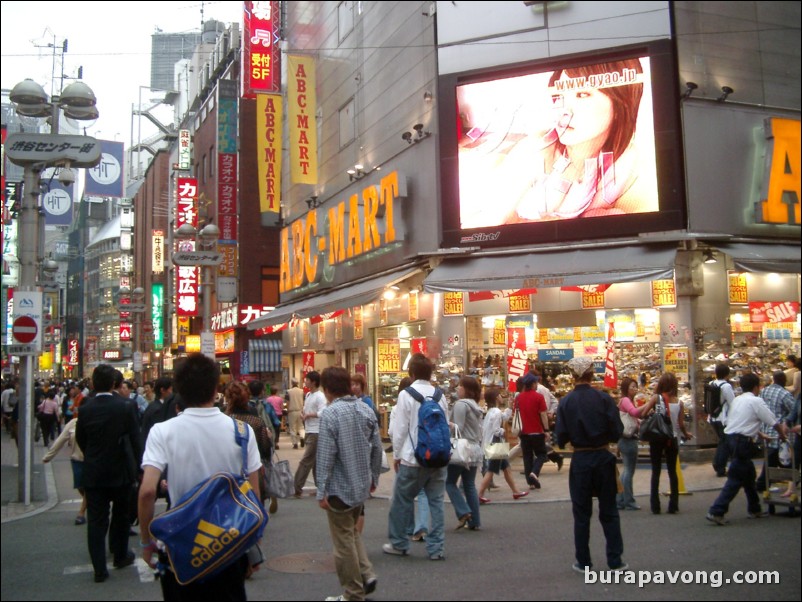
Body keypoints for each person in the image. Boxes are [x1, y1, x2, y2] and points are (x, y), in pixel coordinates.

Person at [139, 354, 263, 600]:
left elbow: (147, 492)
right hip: (229, 543)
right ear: (217, 387)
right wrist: (251, 546)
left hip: (180, 544)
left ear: (179, 389)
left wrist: (146, 542)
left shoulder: (162, 431)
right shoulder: (242, 431)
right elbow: (254, 494)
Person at [554, 356, 627, 573]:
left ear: (573, 375)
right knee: (609, 511)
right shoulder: (604, 399)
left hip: (581, 459)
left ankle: (583, 561)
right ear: (591, 373)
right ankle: (615, 560)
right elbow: (617, 431)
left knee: (582, 514)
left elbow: (560, 438)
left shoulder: (565, 402)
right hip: (603, 457)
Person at [316, 366, 382, 601]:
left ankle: (353, 592)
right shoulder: (365, 409)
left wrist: (321, 490)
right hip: (361, 484)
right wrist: (374, 477)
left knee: (343, 541)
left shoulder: (330, 414)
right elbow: (377, 448)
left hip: (339, 489)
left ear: (327, 390)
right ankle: (366, 573)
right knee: (351, 533)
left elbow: (325, 456)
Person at [75, 364, 141, 583]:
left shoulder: (85, 407)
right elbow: (135, 439)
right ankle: (120, 555)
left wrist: (93, 456)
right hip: (121, 470)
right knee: (121, 516)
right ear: (114, 383)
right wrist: (139, 467)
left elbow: (81, 439)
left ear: (93, 383)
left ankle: (99, 569)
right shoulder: (126, 405)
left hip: (94, 470)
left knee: (96, 521)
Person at [383, 353, 448, 561]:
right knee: (436, 502)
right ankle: (436, 548)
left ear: (411, 373)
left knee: (402, 500)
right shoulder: (440, 395)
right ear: (430, 373)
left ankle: (399, 543)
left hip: (413, 458)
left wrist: (397, 454)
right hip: (438, 457)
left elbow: (401, 429)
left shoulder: (406, 395)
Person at [706, 372, 789, 525]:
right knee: (735, 478)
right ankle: (716, 510)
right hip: (742, 441)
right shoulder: (756, 401)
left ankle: (755, 508)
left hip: (732, 438)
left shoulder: (738, 400)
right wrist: (782, 435)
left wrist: (759, 434)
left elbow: (741, 420)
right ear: (756, 387)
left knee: (749, 475)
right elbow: (773, 421)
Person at [645, 372, 691, 515]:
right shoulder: (679, 402)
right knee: (672, 472)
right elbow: (680, 424)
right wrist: (686, 434)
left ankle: (655, 505)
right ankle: (673, 504)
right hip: (672, 438)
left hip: (657, 438)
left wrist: (653, 413)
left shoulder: (655, 398)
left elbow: (644, 413)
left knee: (656, 471)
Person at [445, 376, 484, 531]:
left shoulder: (461, 405)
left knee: (449, 482)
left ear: (466, 389)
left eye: (460, 386)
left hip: (461, 448)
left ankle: (463, 511)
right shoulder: (475, 406)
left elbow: (458, 428)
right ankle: (475, 520)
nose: (458, 389)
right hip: (474, 448)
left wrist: (446, 422)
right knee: (469, 484)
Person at [477, 388, 528, 505]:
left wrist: (510, 407)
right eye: (499, 395)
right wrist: (502, 431)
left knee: (506, 468)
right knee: (491, 470)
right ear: (496, 398)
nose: (501, 397)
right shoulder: (496, 412)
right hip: (496, 444)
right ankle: (480, 493)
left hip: (492, 443)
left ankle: (515, 491)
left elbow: (503, 417)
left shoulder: (492, 411)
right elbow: (496, 430)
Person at [616, 377, 656, 510]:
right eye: (632, 387)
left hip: (624, 439)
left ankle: (620, 500)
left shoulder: (625, 401)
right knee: (629, 470)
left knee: (626, 470)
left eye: (635, 387)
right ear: (626, 388)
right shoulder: (626, 400)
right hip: (628, 439)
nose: (634, 389)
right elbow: (633, 412)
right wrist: (649, 403)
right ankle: (628, 500)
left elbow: (635, 416)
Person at [43, 412, 87, 525]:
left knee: (89, 488)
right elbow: (61, 440)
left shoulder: (96, 421)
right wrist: (48, 456)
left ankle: (81, 513)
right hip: (77, 459)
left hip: (92, 460)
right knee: (80, 486)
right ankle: (93, 503)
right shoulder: (73, 423)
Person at [755, 371, 795, 492]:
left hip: (766, 430)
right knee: (784, 459)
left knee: (775, 459)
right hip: (780, 432)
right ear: (784, 381)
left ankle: (767, 483)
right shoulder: (784, 394)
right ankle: (763, 483)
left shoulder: (764, 391)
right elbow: (793, 410)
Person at [294, 371, 327, 497]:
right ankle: (321, 488)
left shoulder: (320, 396)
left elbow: (322, 412)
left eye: (307, 380)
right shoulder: (308, 395)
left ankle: (297, 485)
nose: (305, 382)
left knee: (306, 460)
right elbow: (307, 409)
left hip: (316, 431)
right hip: (309, 429)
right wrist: (304, 414)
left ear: (313, 382)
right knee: (315, 461)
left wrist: (309, 415)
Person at [517, 372, 550, 490]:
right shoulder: (539, 397)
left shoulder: (518, 398)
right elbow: (543, 415)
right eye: (536, 382)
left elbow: (516, 414)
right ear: (532, 384)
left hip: (523, 432)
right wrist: (546, 430)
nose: (537, 384)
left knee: (527, 456)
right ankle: (534, 473)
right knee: (541, 454)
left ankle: (530, 482)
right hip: (537, 431)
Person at [709, 363, 736, 477]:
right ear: (727, 374)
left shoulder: (711, 383)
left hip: (712, 417)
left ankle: (718, 463)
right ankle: (719, 466)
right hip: (723, 418)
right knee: (725, 442)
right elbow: (733, 403)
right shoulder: (726, 386)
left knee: (722, 441)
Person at [286, 378, 305, 449]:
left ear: (291, 383)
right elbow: (304, 400)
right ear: (298, 383)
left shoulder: (288, 392)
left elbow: (288, 402)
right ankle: (302, 437)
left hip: (292, 411)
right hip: (300, 410)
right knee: (301, 426)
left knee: (292, 427)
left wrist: (287, 410)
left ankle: (295, 443)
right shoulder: (302, 391)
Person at [266, 384, 285, 449]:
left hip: (270, 415)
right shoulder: (280, 399)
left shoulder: (268, 399)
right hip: (278, 414)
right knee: (277, 429)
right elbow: (282, 407)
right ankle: (276, 442)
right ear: (276, 392)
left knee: (271, 428)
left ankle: (271, 441)